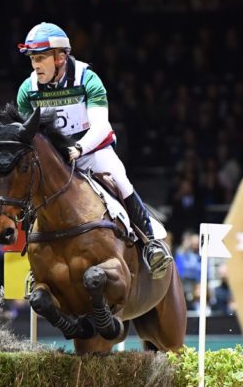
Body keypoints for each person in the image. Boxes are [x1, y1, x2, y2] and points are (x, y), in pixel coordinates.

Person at [15, 22, 173, 279]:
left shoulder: (87, 78)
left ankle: (151, 244)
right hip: (57, 159)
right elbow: (28, 135)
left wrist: (79, 148)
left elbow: (101, 125)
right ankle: (35, 260)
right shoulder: (27, 90)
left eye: (41, 58)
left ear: (60, 57)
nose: (35, 65)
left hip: (91, 150)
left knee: (119, 177)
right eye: (33, 58)